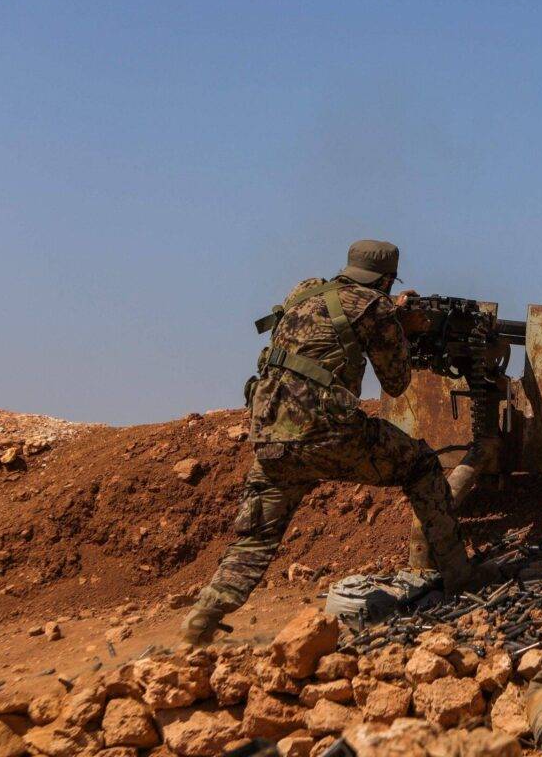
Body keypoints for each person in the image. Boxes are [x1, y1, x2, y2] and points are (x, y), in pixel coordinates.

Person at [181, 239, 484, 644]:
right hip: (329, 436)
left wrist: (388, 315)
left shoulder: (302, 291)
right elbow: (396, 384)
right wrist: (401, 328)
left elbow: (331, 324)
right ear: (389, 279)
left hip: (272, 437)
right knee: (422, 466)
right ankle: (461, 578)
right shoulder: (375, 309)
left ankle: (204, 617)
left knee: (256, 536)